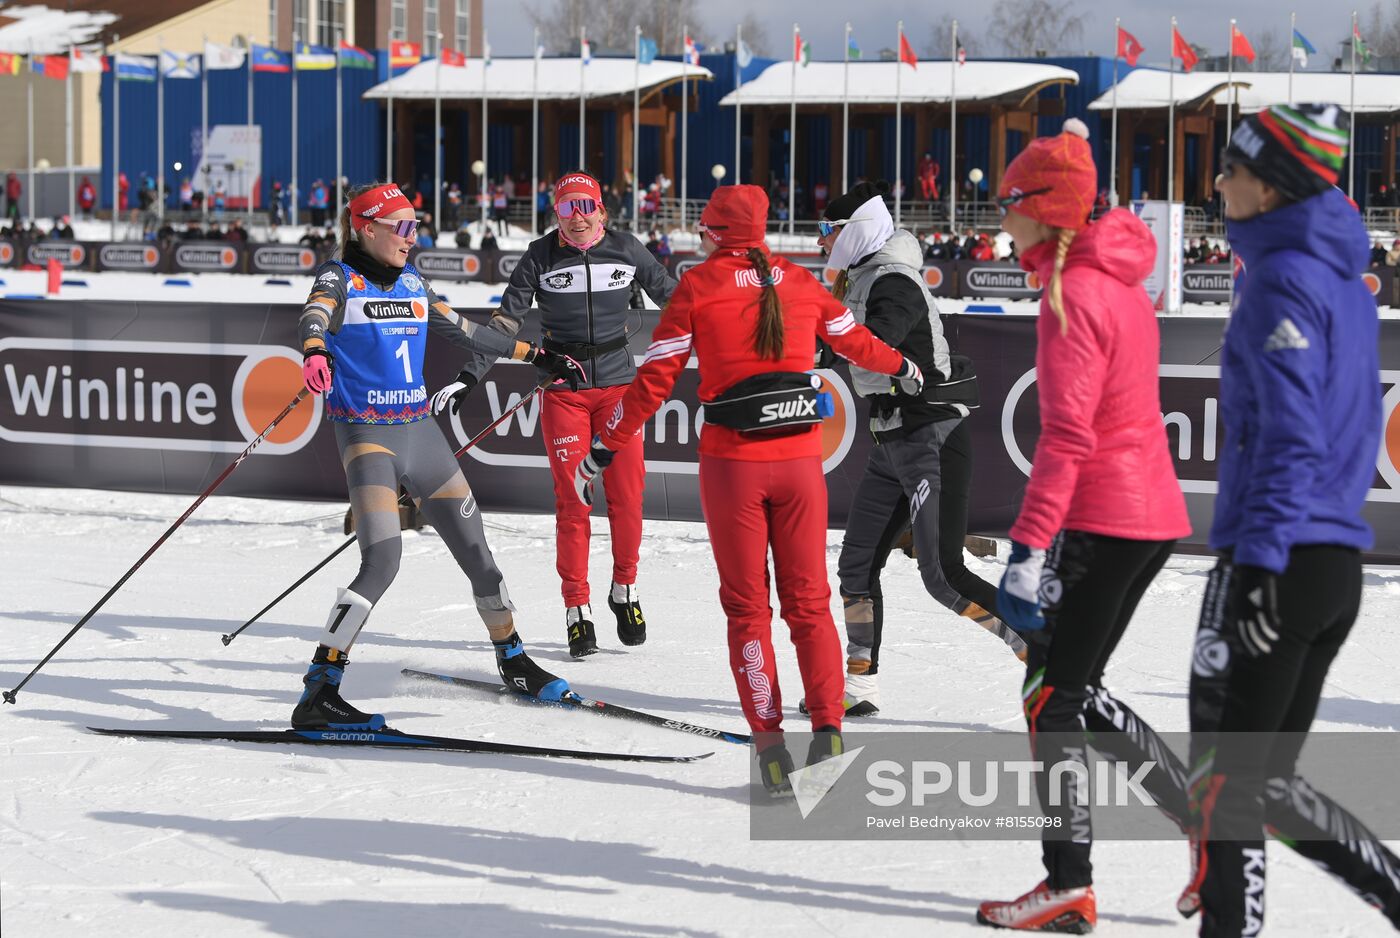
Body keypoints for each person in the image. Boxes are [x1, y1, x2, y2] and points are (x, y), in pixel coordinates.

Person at [572, 184, 921, 793]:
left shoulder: (699, 288)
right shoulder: (801, 281)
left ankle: (770, 752)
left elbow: (653, 382)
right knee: (809, 604)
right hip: (800, 461)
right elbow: (858, 343)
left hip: (733, 466)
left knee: (747, 609)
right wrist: (905, 367)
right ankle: (829, 736)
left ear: (713, 234)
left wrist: (605, 445)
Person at [1182, 103, 1400, 938]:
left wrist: (1262, 567)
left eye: (1231, 170)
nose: (1219, 184)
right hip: (1327, 561)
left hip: (1283, 557)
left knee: (1231, 786)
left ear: (1270, 188)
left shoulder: (1283, 278)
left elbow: (1292, 436)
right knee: (1262, 784)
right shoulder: (1334, 274)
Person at [976, 118, 1192, 933]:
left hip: (1107, 514)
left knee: (1050, 701)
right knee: (1068, 692)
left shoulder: (1072, 292)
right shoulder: (1118, 276)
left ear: (1045, 208)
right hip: (1147, 514)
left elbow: (1066, 436)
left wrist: (1028, 551)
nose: (1001, 217)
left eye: (1010, 201)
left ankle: (1070, 881)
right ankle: (1188, 821)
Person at [293, 181, 582, 730]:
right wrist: (313, 350)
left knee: (478, 552)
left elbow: (471, 334)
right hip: (368, 437)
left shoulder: (412, 282)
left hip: (422, 435)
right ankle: (319, 690)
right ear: (366, 228)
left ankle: (514, 659)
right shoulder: (340, 277)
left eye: (415, 226)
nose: (411, 236)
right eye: (400, 227)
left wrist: (538, 355)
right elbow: (314, 314)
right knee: (382, 562)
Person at [813, 181, 1026, 721]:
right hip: (891, 440)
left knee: (943, 574)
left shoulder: (893, 281)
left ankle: (1045, 651)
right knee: (856, 565)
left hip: (933, 435)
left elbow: (874, 342)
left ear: (853, 231)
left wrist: (815, 350)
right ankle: (860, 685)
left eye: (827, 230)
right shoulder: (861, 276)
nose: (821, 242)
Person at [451, 172, 677, 656]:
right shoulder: (539, 255)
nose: (577, 217)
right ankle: (577, 609)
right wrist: (470, 375)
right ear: (556, 212)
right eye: (566, 207)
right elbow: (505, 321)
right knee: (574, 502)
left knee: (626, 495)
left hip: (619, 390)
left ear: (602, 210)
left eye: (585, 206)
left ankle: (625, 590)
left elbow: (678, 301)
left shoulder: (627, 248)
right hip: (564, 391)